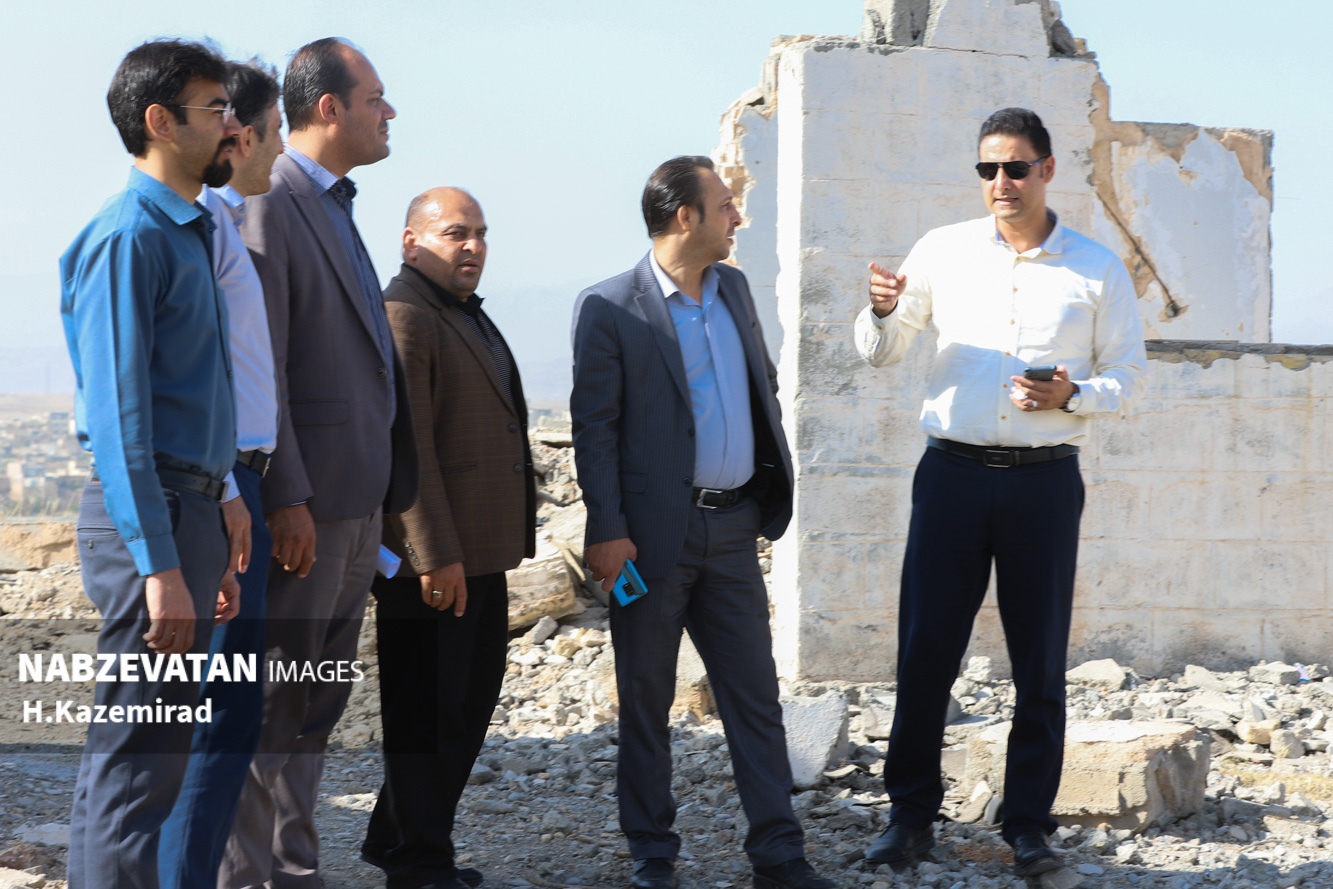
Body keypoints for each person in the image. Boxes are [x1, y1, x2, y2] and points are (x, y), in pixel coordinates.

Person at [853, 107, 1148, 878]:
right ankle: (907, 817)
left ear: (1046, 170)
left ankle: (1027, 827)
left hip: (1043, 483)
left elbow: (1129, 377)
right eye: (987, 168)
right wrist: (879, 311)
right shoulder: (941, 250)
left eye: (1015, 167)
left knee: (1038, 662)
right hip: (949, 476)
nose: (1000, 182)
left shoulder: (1095, 268)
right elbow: (884, 351)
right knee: (925, 652)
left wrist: (1072, 394)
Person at [571, 156, 836, 889]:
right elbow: (594, 428)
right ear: (684, 217)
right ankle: (653, 855)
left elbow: (759, 388)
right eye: (725, 204)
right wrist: (606, 528)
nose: (736, 215)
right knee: (646, 700)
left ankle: (779, 856)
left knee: (755, 697)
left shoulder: (734, 289)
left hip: (733, 529)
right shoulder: (609, 307)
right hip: (649, 539)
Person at [220, 37, 417, 889]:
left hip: (357, 507)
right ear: (328, 108)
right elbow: (264, 367)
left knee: (315, 705)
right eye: (375, 98)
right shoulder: (273, 202)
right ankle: (246, 875)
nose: (389, 112)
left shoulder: (333, 202)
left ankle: (294, 868)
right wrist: (287, 495)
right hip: (308, 509)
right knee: (275, 703)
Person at [59, 38, 241, 889]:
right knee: (134, 766)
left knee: (152, 760)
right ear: (161, 121)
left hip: (186, 511)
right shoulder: (129, 236)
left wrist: (215, 530)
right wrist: (160, 564)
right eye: (216, 108)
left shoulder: (188, 229)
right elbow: (119, 418)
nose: (232, 125)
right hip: (153, 515)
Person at [362, 187, 535, 889]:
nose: (473, 246)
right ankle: (420, 865)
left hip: (480, 553)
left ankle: (398, 840)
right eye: (455, 233)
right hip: (433, 563)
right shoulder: (405, 313)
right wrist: (432, 555)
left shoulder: (456, 310)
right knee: (427, 714)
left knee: (463, 709)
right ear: (411, 241)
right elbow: (408, 451)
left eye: (480, 233)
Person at [158, 58, 285, 889]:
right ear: (238, 134)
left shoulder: (225, 223)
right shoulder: (195, 227)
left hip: (241, 484)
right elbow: (188, 377)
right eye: (273, 134)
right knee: (211, 712)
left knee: (230, 711)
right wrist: (232, 489)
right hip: (219, 487)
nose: (280, 151)